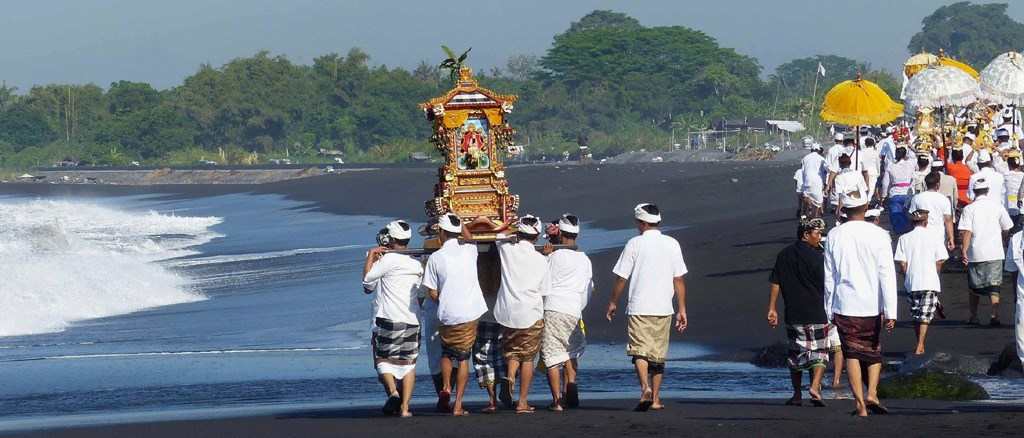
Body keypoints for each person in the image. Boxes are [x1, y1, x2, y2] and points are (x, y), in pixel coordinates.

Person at [823, 186, 898, 417]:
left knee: (852, 354)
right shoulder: (879, 235)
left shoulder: (835, 235)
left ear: (843, 210)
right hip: (872, 305)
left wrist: (828, 308)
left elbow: (829, 276)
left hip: (845, 304)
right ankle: (872, 392)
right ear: (866, 208)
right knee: (873, 350)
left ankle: (860, 404)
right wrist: (891, 309)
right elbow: (887, 273)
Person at [606, 203, 688, 412]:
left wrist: (613, 301)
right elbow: (678, 279)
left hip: (640, 306)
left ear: (642, 223)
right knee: (658, 355)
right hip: (664, 307)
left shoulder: (635, 243)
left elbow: (621, 277)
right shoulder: (672, 243)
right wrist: (682, 309)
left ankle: (645, 389)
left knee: (639, 351)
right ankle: (657, 398)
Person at [422, 213, 488, 416]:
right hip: (469, 312)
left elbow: (432, 292)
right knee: (463, 358)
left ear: (441, 232)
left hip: (448, 313)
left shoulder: (436, 257)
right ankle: (458, 404)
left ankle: (446, 388)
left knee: (446, 353)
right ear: (457, 232)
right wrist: (464, 223)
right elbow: (469, 239)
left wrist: (446, 298)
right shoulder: (469, 250)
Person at [766, 217, 830, 407]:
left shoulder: (783, 254)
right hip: (817, 310)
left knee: (796, 354)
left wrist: (771, 308)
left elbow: (775, 282)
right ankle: (815, 387)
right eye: (817, 234)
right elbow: (827, 284)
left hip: (793, 312)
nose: (820, 237)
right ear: (806, 235)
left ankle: (796, 395)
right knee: (818, 352)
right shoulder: (818, 257)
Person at [362, 220, 423, 417]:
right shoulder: (416, 263)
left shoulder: (387, 261)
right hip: (412, 318)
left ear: (392, 239)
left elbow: (367, 284)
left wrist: (371, 256)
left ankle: (394, 393)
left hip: (388, 317)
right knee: (408, 364)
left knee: (382, 360)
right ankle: (405, 407)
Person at [493, 215, 549, 414]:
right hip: (530, 311)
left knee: (512, 352)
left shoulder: (508, 250)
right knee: (527, 358)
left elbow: (499, 233)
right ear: (536, 237)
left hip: (508, 310)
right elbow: (544, 291)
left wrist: (508, 224)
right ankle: (522, 401)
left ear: (519, 233)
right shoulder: (542, 260)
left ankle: (509, 377)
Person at [539, 214, 593, 411]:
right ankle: (571, 383)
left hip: (554, 307)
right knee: (571, 351)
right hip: (574, 308)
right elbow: (588, 288)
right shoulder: (584, 259)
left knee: (552, 355)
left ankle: (557, 400)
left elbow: (542, 281)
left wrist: (544, 257)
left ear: (560, 232)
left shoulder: (554, 256)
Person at [959, 178, 1013, 326]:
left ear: (974, 192)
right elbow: (1007, 227)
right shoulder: (997, 206)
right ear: (987, 191)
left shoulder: (969, 209)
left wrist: (964, 250)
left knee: (974, 286)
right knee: (994, 286)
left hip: (976, 252)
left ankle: (973, 316)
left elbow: (966, 232)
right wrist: (1004, 241)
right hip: (995, 251)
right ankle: (994, 315)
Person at [894, 208, 949, 355]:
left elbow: (902, 264)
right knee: (923, 315)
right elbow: (940, 260)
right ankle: (920, 344)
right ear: (926, 221)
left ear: (912, 222)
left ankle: (919, 344)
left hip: (912, 281)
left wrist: (907, 275)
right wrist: (935, 272)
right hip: (929, 280)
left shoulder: (904, 238)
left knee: (917, 314)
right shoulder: (934, 236)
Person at [472, 246, 509, 413]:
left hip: (482, 314)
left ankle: (492, 399)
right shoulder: (505, 266)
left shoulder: (477, 265)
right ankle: (505, 387)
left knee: (484, 359)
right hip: (502, 314)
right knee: (503, 355)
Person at [909, 172, 956, 251]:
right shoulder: (944, 199)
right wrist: (951, 237)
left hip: (921, 235)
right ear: (938, 185)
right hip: (938, 236)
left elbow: (912, 217)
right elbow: (948, 220)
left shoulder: (917, 198)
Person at [1002, 227, 1024, 371]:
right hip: (1022, 290)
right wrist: (1015, 296)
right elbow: (1012, 271)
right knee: (1021, 324)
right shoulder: (1016, 239)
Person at [881, 147, 916, 234]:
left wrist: (883, 196)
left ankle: (899, 235)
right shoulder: (911, 164)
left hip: (895, 194)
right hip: (908, 193)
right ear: (905, 155)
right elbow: (915, 156)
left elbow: (885, 183)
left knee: (896, 218)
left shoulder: (890, 166)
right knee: (909, 216)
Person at [800, 144, 828, 218]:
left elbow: (803, 171)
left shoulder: (805, 158)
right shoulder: (821, 158)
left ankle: (804, 215)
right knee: (818, 202)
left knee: (807, 196)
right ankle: (815, 217)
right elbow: (826, 170)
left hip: (807, 180)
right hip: (817, 181)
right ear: (819, 150)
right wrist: (826, 183)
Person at [1004, 155, 1024, 230]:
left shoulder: (1005, 175)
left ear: (1008, 165)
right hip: (1021, 207)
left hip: (1009, 206)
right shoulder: (1022, 175)